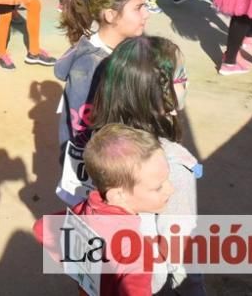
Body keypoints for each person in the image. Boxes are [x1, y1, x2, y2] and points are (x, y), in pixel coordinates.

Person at [90, 36, 204, 294]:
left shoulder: (104, 142)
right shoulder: (171, 165)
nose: (188, 84)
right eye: (182, 78)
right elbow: (177, 246)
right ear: (159, 97)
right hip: (151, 281)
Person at [35, 124, 174, 296]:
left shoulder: (85, 208)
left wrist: (74, 265)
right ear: (118, 195)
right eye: (158, 187)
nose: (171, 189)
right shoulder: (135, 251)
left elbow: (41, 228)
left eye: (167, 179)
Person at [54, 0, 148, 206]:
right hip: (100, 174)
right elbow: (84, 133)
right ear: (110, 15)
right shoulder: (90, 66)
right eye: (138, 8)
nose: (146, 15)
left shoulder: (120, 52)